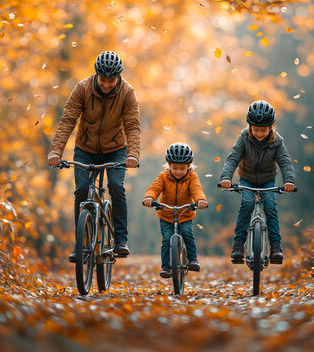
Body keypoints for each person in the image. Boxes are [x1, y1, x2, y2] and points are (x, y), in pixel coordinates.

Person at [47, 51, 140, 259]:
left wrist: (132, 154)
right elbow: (68, 121)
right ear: (96, 74)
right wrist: (55, 151)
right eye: (103, 80)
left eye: (111, 80)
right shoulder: (82, 88)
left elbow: (132, 126)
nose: (107, 85)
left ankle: (121, 239)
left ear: (118, 78)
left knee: (116, 187)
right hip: (85, 149)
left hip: (115, 151)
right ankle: (81, 244)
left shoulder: (127, 92)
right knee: (81, 190)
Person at [219, 100, 296, 263]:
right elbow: (233, 158)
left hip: (268, 181)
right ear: (249, 127)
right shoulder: (244, 139)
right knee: (246, 204)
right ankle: (238, 244)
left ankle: (276, 246)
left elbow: (285, 162)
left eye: (263, 130)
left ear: (271, 128)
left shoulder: (277, 142)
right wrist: (226, 177)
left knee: (270, 206)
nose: (259, 133)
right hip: (247, 179)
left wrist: (289, 180)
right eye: (256, 130)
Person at [143, 143, 208, 278]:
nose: (178, 171)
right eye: (175, 168)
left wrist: (200, 200)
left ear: (189, 166)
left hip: (185, 214)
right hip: (166, 214)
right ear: (169, 166)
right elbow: (154, 188)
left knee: (186, 232)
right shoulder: (163, 177)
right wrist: (149, 197)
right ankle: (166, 267)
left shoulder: (192, 178)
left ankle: (193, 259)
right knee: (167, 238)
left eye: (182, 168)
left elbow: (197, 190)